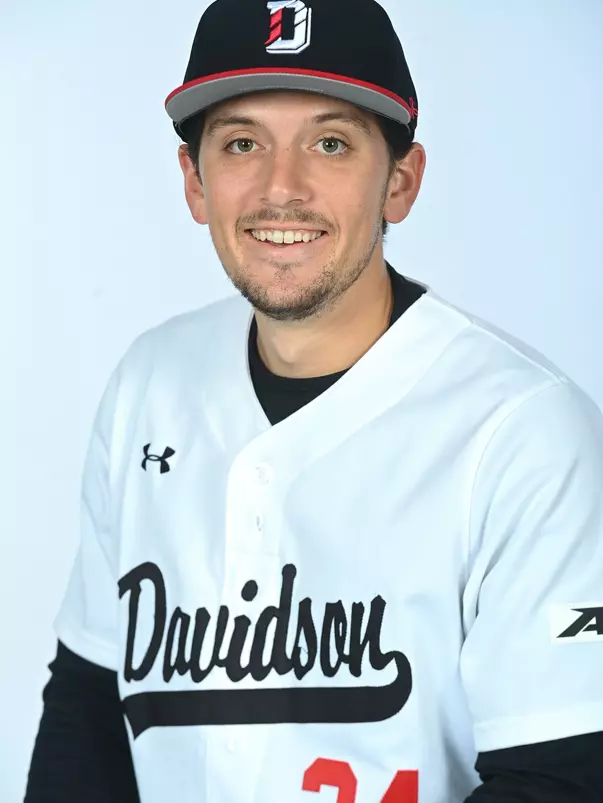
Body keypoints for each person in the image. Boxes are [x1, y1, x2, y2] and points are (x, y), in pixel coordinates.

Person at [25, 0, 603, 801]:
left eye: (330, 143)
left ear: (399, 181)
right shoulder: (148, 382)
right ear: (195, 182)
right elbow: (89, 706)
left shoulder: (524, 429)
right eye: (240, 143)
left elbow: (558, 777)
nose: (280, 189)